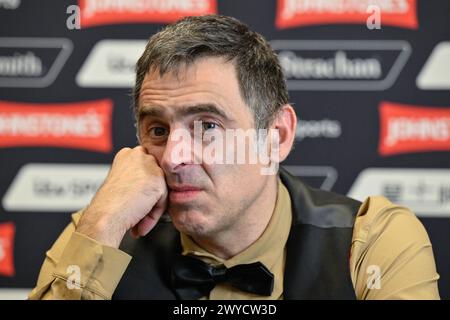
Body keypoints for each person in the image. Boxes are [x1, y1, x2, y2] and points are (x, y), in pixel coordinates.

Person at [29, 15, 440, 300]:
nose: (174, 157)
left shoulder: (370, 242)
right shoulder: (99, 233)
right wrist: (102, 223)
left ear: (276, 137)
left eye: (208, 126)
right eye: (157, 130)